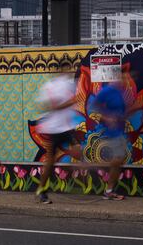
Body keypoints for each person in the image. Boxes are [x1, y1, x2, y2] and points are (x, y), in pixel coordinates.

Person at [34, 73, 83, 204]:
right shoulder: (50, 87)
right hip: (54, 128)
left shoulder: (69, 84)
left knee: (78, 151)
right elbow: (52, 107)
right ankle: (42, 191)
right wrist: (70, 102)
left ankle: (71, 175)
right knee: (51, 161)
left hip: (66, 127)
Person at [89, 75, 128, 200]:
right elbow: (93, 106)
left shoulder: (119, 91)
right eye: (120, 77)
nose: (122, 80)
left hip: (119, 130)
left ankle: (109, 190)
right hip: (113, 131)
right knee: (117, 159)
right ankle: (108, 191)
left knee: (119, 160)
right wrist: (107, 118)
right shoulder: (106, 91)